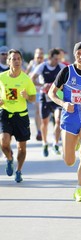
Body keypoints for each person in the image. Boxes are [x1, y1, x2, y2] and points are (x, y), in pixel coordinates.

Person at [48, 42, 81, 201]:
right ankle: (72, 144)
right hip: (69, 118)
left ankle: (79, 189)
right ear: (74, 55)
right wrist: (63, 103)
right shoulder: (66, 71)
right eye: (78, 53)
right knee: (69, 161)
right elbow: (52, 93)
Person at [0, 49, 36, 182]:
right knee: (3, 143)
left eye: (18, 59)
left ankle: (19, 170)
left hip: (21, 116)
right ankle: (9, 159)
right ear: (8, 62)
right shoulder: (1, 77)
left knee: (22, 148)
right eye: (13, 59)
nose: (16, 61)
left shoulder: (26, 79)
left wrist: (27, 97)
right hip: (5, 113)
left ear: (21, 61)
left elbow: (33, 98)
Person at [31, 48, 65, 157]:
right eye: (56, 59)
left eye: (59, 59)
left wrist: (60, 87)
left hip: (56, 98)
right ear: (50, 58)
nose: (57, 61)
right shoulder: (42, 66)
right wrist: (42, 86)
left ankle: (55, 143)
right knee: (44, 123)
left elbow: (68, 80)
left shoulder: (61, 67)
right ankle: (45, 143)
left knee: (58, 120)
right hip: (45, 97)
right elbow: (32, 79)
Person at [26, 47, 44, 141]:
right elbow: (25, 74)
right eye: (38, 54)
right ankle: (39, 131)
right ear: (35, 55)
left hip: (44, 92)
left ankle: (43, 129)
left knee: (43, 113)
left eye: (41, 54)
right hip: (36, 91)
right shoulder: (32, 63)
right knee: (37, 111)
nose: (39, 56)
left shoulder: (45, 64)